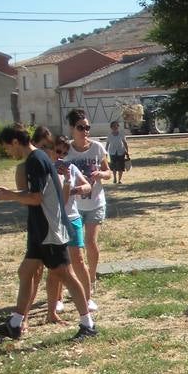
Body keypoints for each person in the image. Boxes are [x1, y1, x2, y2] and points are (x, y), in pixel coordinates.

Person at [0, 125, 96, 341]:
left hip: (50, 229)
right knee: (25, 272)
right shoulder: (38, 158)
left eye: (7, 147)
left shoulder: (36, 160)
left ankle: (88, 325)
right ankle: (15, 324)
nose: (8, 152)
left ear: (15, 142)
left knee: (65, 274)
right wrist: (12, 193)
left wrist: (10, 196)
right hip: (40, 228)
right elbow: (36, 194)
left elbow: (36, 198)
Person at [40, 132, 93, 322]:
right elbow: (55, 199)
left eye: (64, 152)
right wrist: (66, 184)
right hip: (55, 222)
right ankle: (57, 300)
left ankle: (87, 298)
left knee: (78, 259)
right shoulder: (46, 171)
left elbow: (87, 186)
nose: (60, 156)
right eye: (58, 151)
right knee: (57, 265)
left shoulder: (70, 167)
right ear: (50, 150)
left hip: (73, 218)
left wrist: (77, 189)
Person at [66, 109, 111, 309]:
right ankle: (76, 282)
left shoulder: (97, 148)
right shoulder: (66, 150)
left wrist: (101, 174)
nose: (85, 131)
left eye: (87, 127)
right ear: (72, 128)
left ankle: (91, 279)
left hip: (95, 203)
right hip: (74, 207)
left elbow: (108, 172)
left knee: (91, 242)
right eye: (81, 127)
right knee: (75, 249)